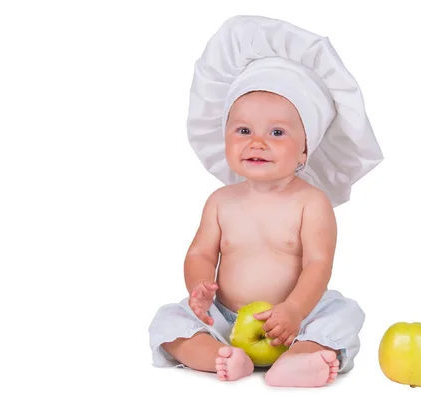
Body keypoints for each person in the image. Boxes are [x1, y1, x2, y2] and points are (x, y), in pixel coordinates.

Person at [148, 15, 384, 388]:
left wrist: (293, 309)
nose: (256, 142)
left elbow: (318, 265)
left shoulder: (311, 203)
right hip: (226, 318)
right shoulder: (220, 202)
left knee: (340, 317)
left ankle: (300, 357)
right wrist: (198, 289)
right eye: (243, 130)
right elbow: (201, 255)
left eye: (277, 132)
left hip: (298, 316)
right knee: (169, 322)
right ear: (223, 135)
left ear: (306, 148)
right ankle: (219, 356)